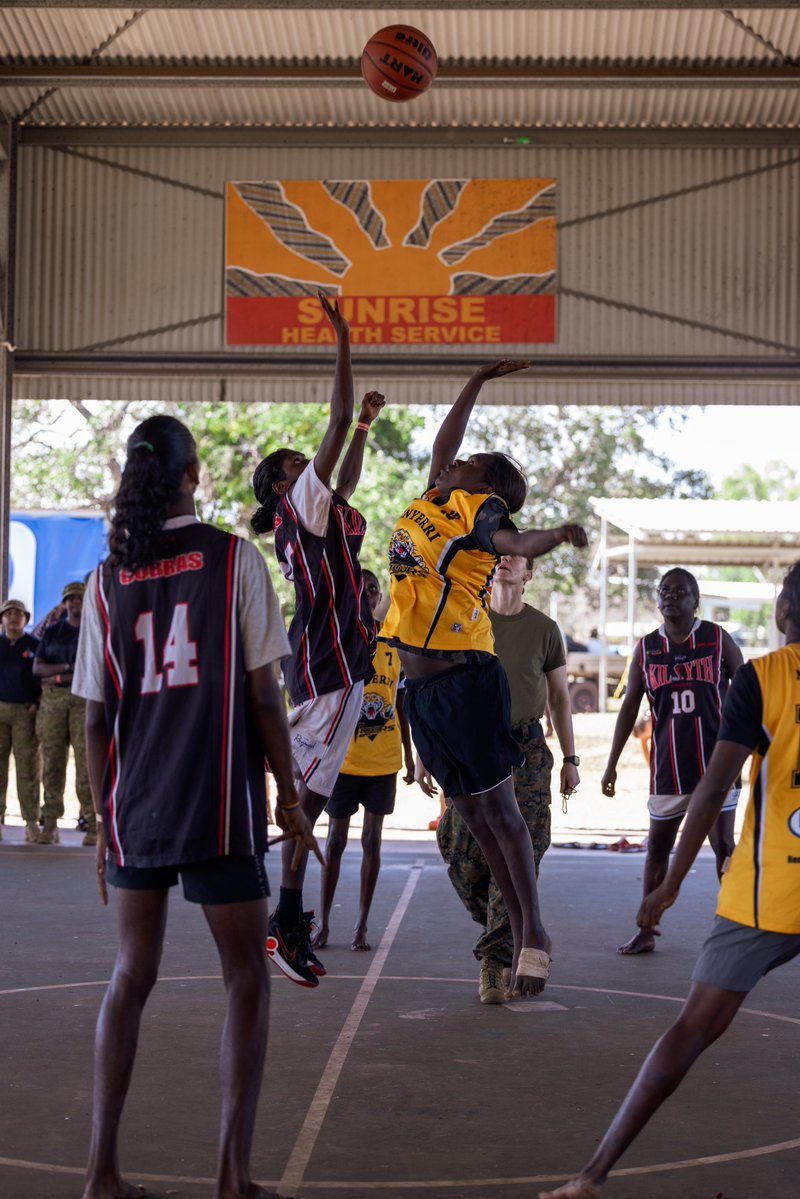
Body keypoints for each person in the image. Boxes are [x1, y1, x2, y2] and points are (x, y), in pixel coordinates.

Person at [72, 414, 319, 1199]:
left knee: (129, 975)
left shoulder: (111, 578)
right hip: (216, 799)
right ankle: (230, 1175)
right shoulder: (233, 559)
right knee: (247, 974)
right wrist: (290, 792)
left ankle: (101, 1171)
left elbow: (94, 715)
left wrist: (103, 823)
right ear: (193, 473)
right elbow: (264, 695)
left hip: (138, 802)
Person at [540, 562, 800, 1199]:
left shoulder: (761, 677)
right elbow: (637, 711)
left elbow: (713, 790)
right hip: (680, 793)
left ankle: (591, 1176)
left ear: (782, 615)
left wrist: (670, 886)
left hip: (770, 894)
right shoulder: (658, 654)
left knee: (690, 1030)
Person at [381, 359, 588, 997]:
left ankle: (532, 932)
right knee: (471, 815)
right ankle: (523, 925)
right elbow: (445, 440)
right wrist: (475, 379)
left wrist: (555, 534)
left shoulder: (480, 510)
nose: (453, 459)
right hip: (422, 689)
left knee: (502, 812)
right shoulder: (432, 499)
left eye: (468, 461)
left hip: (467, 677)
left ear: (485, 483)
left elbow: (516, 546)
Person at [250, 293, 381, 988]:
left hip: (331, 660)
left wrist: (363, 427)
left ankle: (286, 916)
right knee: (311, 798)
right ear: (281, 481)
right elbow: (330, 424)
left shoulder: (314, 509)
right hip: (328, 661)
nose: (312, 462)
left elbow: (347, 471)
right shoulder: (298, 501)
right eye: (298, 462)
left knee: (311, 794)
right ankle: (286, 918)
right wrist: (343, 338)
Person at [434, 552, 580, 1003]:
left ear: (529, 573)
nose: (505, 562)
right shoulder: (465, 619)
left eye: (517, 558)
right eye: (500, 555)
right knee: (461, 853)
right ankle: (523, 928)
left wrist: (571, 757)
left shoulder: (544, 630)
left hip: (527, 752)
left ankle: (496, 964)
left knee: (518, 861)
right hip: (474, 750)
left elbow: (559, 697)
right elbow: (441, 688)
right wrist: (430, 754)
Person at [601, 568, 743, 955]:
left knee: (724, 847)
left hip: (717, 768)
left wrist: (748, 751)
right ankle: (646, 930)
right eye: (664, 591)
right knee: (657, 850)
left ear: (696, 600)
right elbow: (630, 705)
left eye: (680, 591)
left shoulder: (717, 639)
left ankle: (732, 931)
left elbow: (748, 692)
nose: (670, 596)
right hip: (668, 770)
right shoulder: (646, 649)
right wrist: (611, 763)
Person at [312, 569, 415, 952]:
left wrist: (408, 756)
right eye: (363, 588)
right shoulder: (340, 644)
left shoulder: (391, 645)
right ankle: (322, 923)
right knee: (335, 841)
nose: (371, 594)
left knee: (373, 840)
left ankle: (361, 926)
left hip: (383, 761)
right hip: (343, 760)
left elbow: (401, 704)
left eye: (375, 589)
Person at [34, 580, 96, 845]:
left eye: (79, 598)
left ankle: (94, 824)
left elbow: (96, 666)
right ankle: (50, 824)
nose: (75, 603)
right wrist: (69, 669)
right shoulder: (53, 631)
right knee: (52, 763)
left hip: (84, 699)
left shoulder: (94, 631)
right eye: (70, 599)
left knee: (87, 764)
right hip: (54, 704)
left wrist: (57, 674)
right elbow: (37, 669)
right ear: (65, 602)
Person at [0, 598, 41, 842]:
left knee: (28, 769)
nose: (13, 617)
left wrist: (38, 702)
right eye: (8, 613)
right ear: (2, 619)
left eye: (18, 614)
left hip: (26, 712)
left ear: (26, 619)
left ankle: (31, 823)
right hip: (0, 710)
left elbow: (43, 675)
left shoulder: (35, 644)